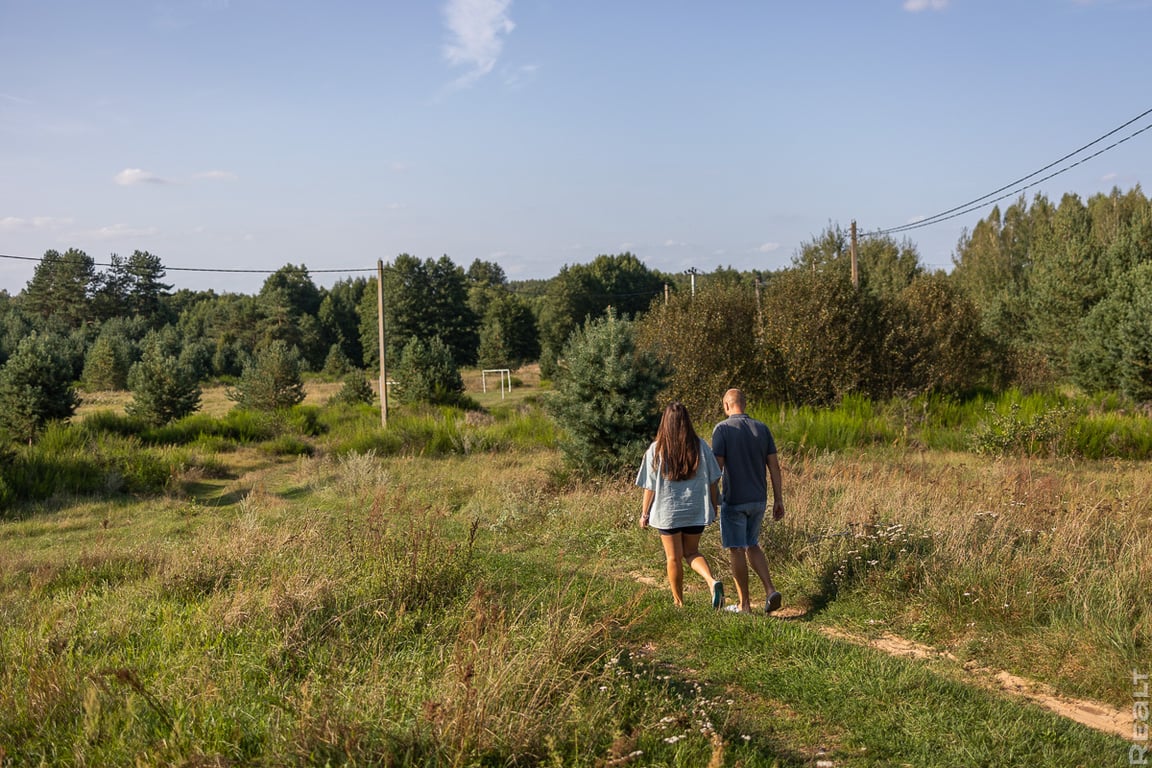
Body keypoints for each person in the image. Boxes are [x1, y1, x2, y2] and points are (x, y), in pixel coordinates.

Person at [636, 402, 725, 609]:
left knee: (673, 558)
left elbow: (649, 487)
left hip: (668, 513)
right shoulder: (700, 446)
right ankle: (711, 581)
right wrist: (713, 506)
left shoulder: (656, 449)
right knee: (692, 552)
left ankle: (679, 603)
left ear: (665, 422)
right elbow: (713, 480)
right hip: (696, 510)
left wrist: (644, 513)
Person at [711, 388, 785, 614]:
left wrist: (713, 500)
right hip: (759, 499)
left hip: (734, 500)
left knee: (736, 549)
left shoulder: (722, 429)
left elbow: (716, 470)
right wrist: (778, 499)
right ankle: (770, 590)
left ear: (726, 406)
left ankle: (744, 605)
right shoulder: (762, 428)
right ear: (744, 404)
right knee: (752, 544)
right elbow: (774, 467)